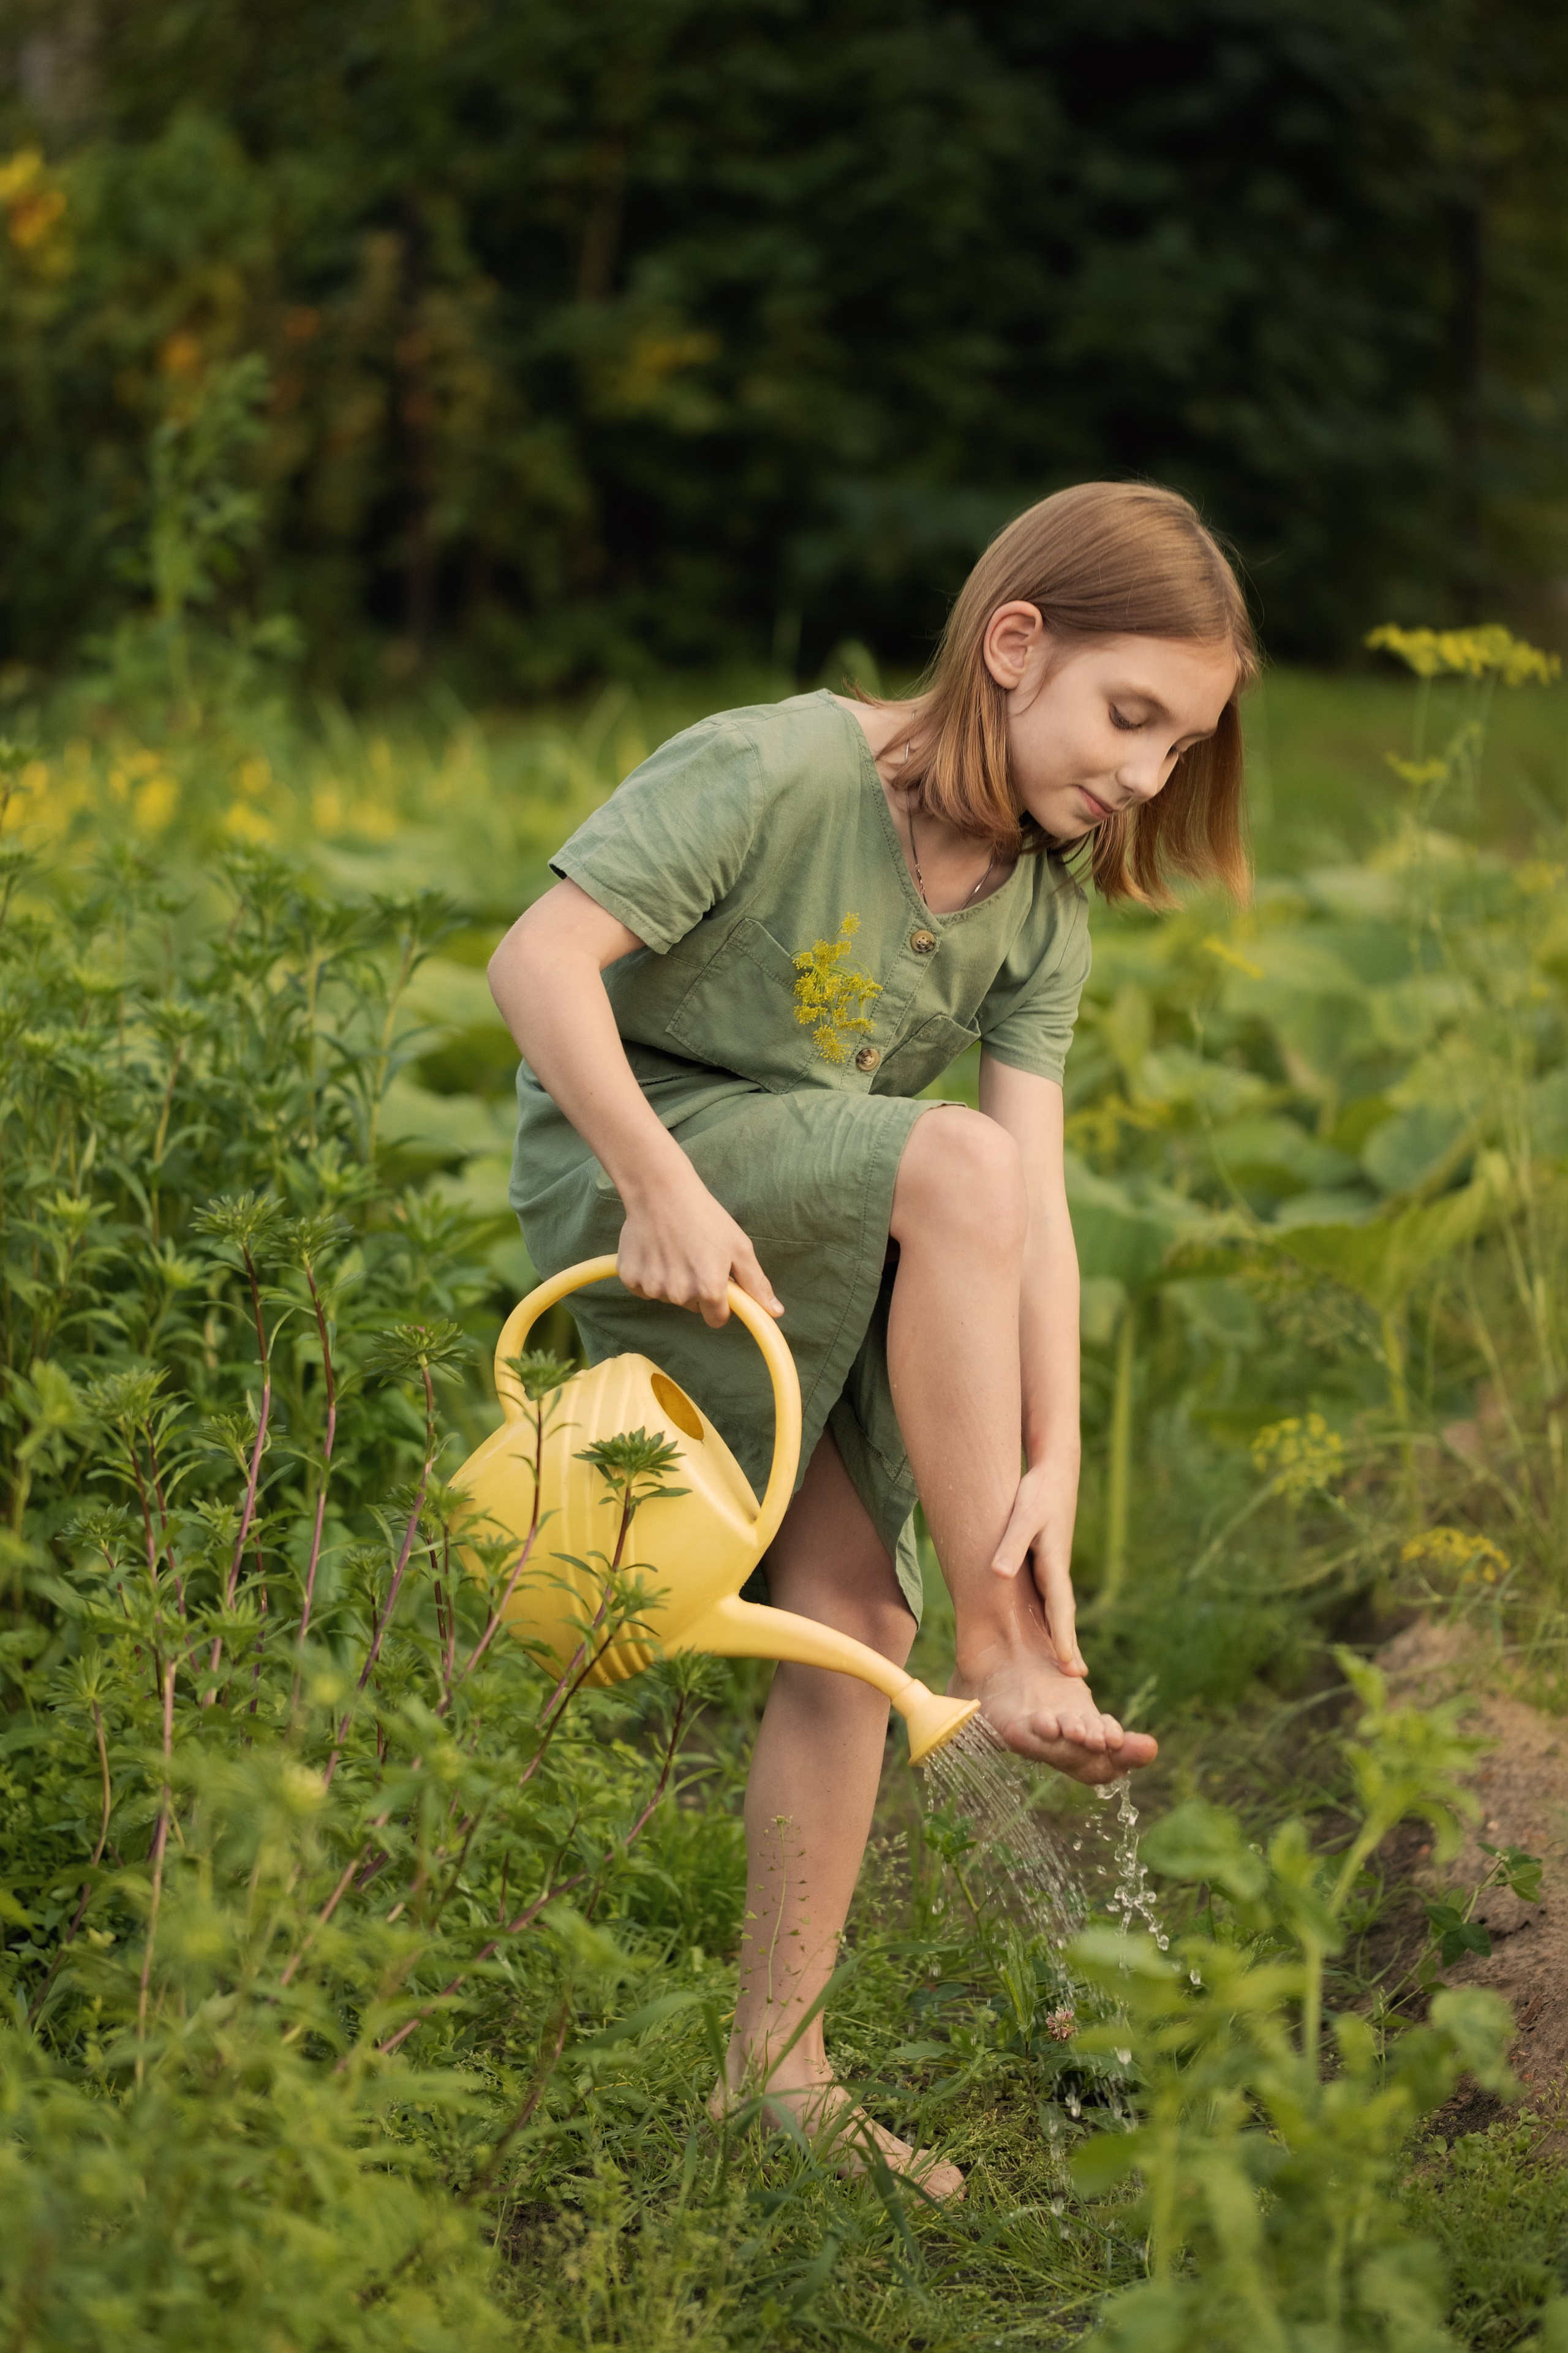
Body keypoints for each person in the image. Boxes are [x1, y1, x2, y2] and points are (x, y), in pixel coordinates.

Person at [488, 482, 1256, 2199]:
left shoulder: (1039, 908)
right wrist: (656, 1178)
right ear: (1014, 643)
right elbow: (537, 963)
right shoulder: (771, 769)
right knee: (951, 1163)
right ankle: (1002, 1652)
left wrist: (1055, 1458)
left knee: (851, 1611)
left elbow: (1034, 1211)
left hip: (827, 1214)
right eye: (1131, 717)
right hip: (636, 1181)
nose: (1143, 777)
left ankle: (776, 2068)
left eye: (1177, 750)